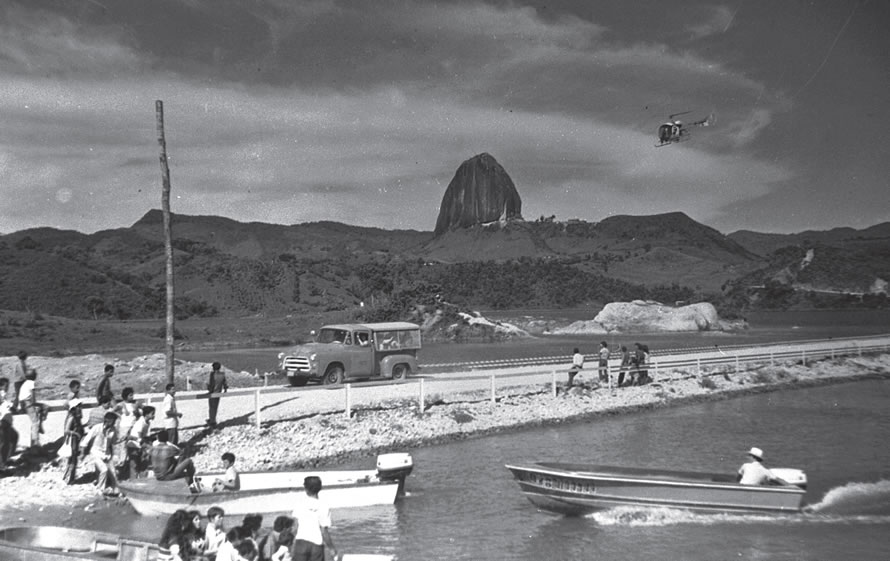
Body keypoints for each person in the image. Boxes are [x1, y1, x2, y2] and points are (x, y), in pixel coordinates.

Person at [290, 476, 337, 561]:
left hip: (301, 543)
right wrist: (331, 548)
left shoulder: (299, 503)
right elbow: (324, 531)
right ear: (320, 488)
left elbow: (295, 528)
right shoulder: (324, 506)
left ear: (305, 488)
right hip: (316, 545)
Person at [81, 411, 120, 496]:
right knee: (104, 470)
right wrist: (82, 454)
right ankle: (100, 489)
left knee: (113, 473)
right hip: (96, 453)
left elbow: (114, 442)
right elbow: (86, 441)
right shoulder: (96, 428)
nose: (113, 423)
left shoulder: (113, 430)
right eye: (112, 421)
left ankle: (116, 490)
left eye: (114, 421)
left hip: (107, 454)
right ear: (107, 420)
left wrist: (116, 455)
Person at [18, 368, 47, 448]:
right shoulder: (31, 383)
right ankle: (35, 441)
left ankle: (40, 426)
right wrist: (39, 404)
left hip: (23, 403)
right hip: (27, 403)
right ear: (34, 376)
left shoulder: (26, 383)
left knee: (39, 411)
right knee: (35, 422)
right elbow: (33, 399)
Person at [125, 405, 155, 479]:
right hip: (133, 445)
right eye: (152, 414)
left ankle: (142, 479)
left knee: (143, 463)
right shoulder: (141, 422)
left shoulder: (147, 422)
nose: (153, 415)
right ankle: (133, 481)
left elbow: (145, 436)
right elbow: (138, 436)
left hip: (139, 444)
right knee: (134, 465)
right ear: (146, 414)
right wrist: (145, 445)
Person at [61, 398, 86, 484]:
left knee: (73, 458)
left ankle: (69, 477)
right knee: (72, 458)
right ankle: (69, 478)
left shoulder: (76, 417)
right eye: (79, 406)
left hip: (76, 440)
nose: (80, 408)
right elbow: (66, 430)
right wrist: (76, 434)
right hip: (73, 440)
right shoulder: (71, 417)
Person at [0, 378, 19, 469]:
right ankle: (2, 465)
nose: (7, 388)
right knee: (4, 443)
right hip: (2, 423)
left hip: (6, 423)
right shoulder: (1, 395)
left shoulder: (4, 396)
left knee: (14, 437)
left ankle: (6, 459)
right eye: (5, 386)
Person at [206, 362, 228, 427]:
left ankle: (212, 421)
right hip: (219, 392)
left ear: (213, 368)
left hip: (212, 392)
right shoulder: (222, 374)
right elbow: (225, 383)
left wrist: (209, 388)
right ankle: (213, 419)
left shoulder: (212, 374)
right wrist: (225, 390)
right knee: (215, 406)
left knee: (211, 407)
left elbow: (212, 384)